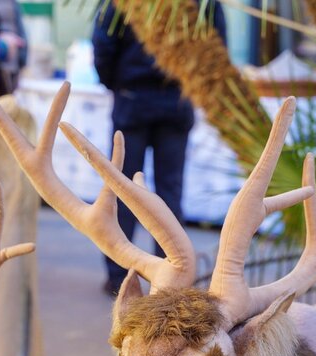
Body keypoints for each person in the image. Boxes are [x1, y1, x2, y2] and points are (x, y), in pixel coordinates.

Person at [92, 3, 227, 295]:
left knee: (123, 190)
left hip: (132, 98)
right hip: (176, 99)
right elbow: (216, 47)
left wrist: (117, 83)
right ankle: (171, 280)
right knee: (169, 193)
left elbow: (103, 44)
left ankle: (119, 279)